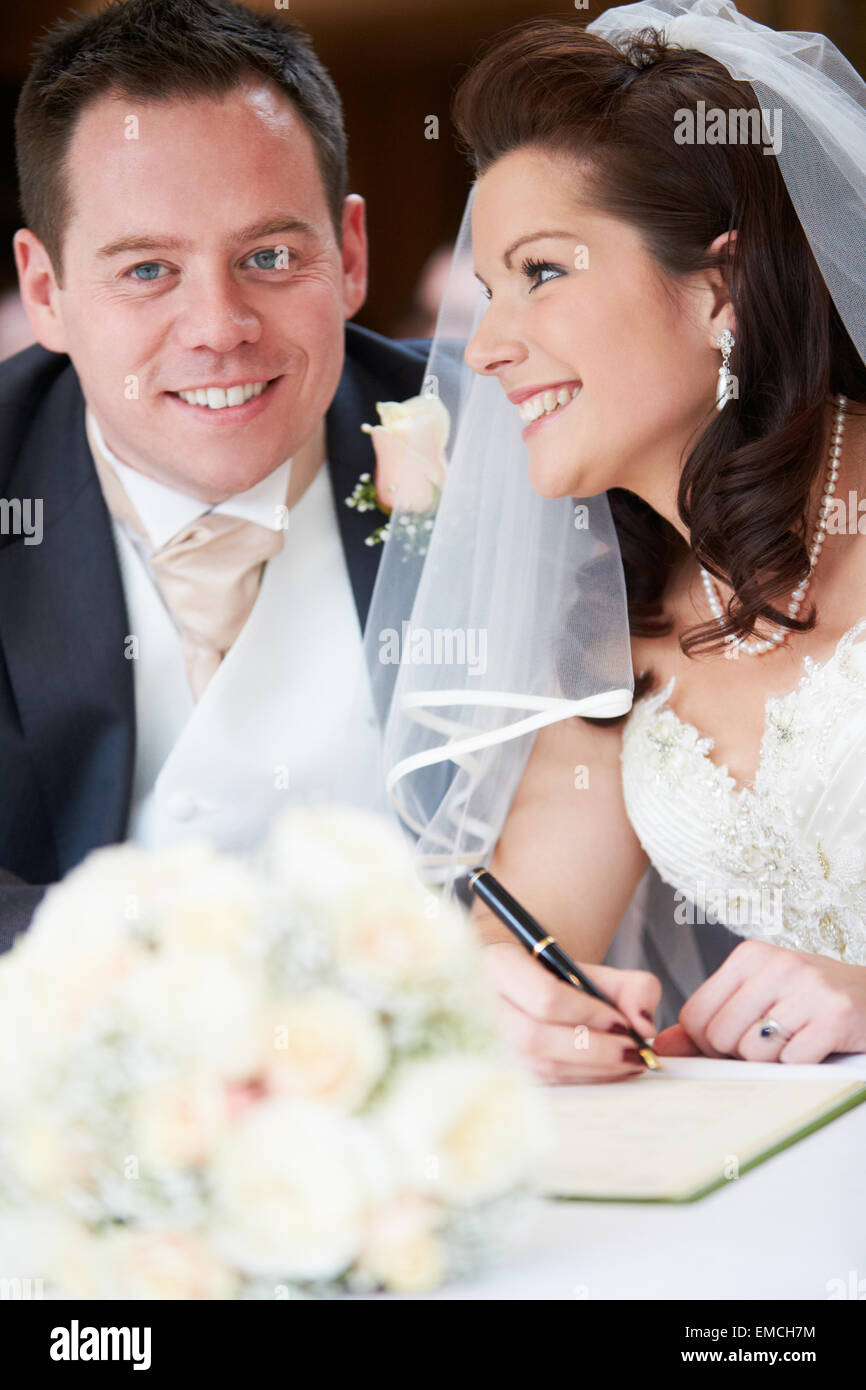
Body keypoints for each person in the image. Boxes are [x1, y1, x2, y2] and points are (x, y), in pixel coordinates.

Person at [376, 0, 866, 1081]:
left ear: (717, 287)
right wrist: (514, 1009)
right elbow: (519, 953)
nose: (489, 346)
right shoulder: (608, 623)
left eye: (541, 274)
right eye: (489, 291)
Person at [0, 0, 436, 950]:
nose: (219, 327)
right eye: (149, 270)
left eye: (270, 257)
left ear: (350, 256)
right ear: (47, 293)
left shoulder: (502, 448)